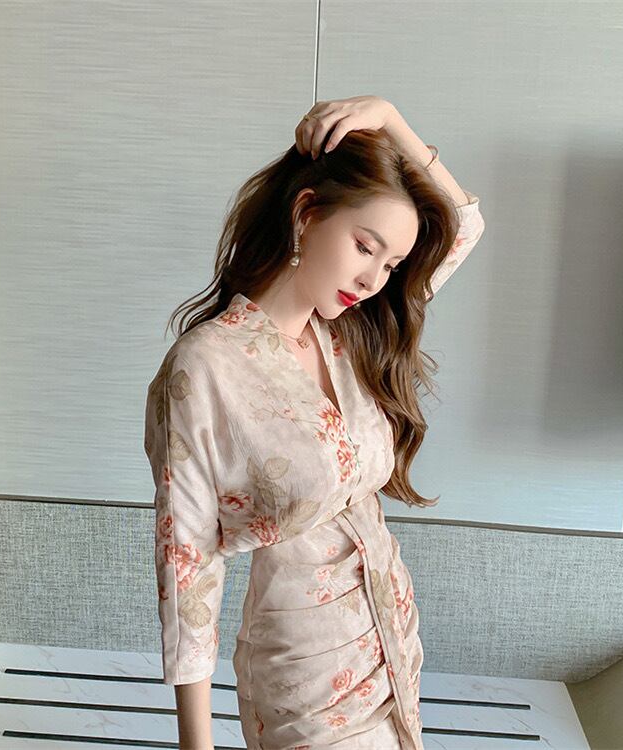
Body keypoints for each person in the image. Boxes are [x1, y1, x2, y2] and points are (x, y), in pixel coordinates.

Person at [143, 95, 486, 749]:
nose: (374, 278)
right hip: (305, 671)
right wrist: (195, 743)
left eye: (390, 265)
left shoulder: (351, 333)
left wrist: (389, 118)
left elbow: (463, 224)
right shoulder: (206, 366)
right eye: (364, 246)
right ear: (306, 213)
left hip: (391, 641)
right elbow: (187, 562)